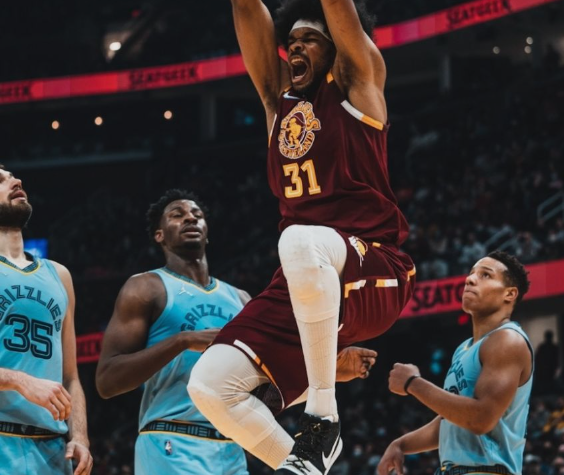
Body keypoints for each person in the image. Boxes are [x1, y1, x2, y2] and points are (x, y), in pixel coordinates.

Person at [187, 0, 415, 475]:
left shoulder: (360, 87)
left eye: (310, 37)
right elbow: (243, 0)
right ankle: (305, 465)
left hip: (374, 269)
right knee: (211, 387)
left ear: (340, 47)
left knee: (299, 240)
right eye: (291, 39)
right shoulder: (277, 102)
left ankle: (323, 417)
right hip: (305, 279)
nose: (294, 46)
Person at [96, 189, 376, 475]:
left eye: (197, 215)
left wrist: (327, 369)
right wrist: (183, 340)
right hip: (170, 439)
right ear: (159, 235)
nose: (190, 219)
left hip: (233, 447)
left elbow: (265, 386)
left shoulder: (241, 299)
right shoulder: (145, 287)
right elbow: (107, 381)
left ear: (207, 232)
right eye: (177, 215)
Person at [378, 251, 532, 475]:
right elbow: (452, 421)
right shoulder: (464, 348)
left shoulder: (508, 340)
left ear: (509, 294)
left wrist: (413, 383)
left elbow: (481, 419)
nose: (470, 279)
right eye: (471, 273)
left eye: (485, 275)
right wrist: (401, 444)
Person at [0, 165, 92, 475]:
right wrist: (19, 380)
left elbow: (71, 377)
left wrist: (80, 437)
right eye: (0, 180)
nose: (16, 180)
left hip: (52, 450)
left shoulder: (59, 275)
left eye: (13, 176)